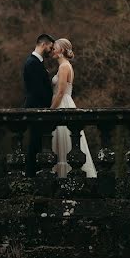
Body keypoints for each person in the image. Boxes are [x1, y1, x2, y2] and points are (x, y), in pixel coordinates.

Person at [49, 38, 97, 178]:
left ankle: (64, 177)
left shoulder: (64, 67)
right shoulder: (64, 66)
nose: (52, 50)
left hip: (62, 104)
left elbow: (61, 92)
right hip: (63, 102)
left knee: (65, 141)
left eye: (55, 48)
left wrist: (50, 111)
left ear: (62, 50)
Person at [22, 34, 55, 175]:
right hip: (36, 109)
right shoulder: (32, 63)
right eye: (50, 47)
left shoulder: (37, 62)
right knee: (34, 143)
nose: (51, 50)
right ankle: (31, 175)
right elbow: (37, 90)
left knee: (38, 142)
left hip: (39, 109)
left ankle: (33, 173)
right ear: (43, 44)